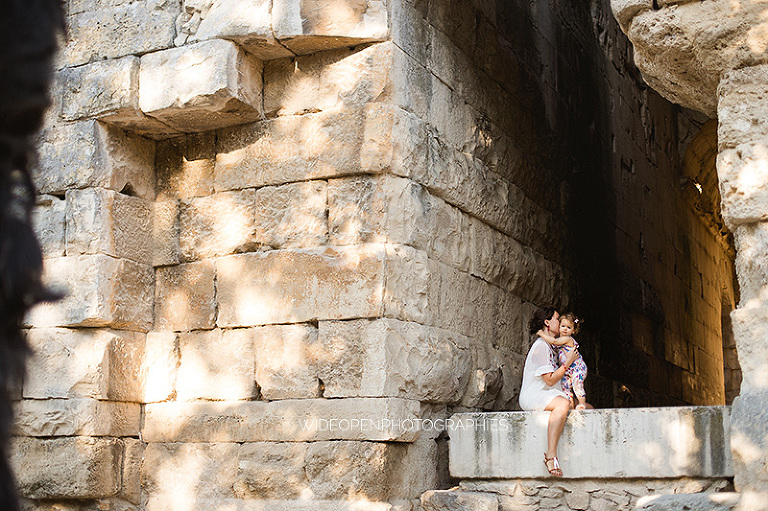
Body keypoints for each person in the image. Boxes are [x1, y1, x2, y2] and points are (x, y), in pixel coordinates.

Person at [519, 306, 579, 477]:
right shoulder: (541, 346)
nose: (560, 323)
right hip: (534, 395)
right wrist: (567, 362)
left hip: (548, 393)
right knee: (563, 404)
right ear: (547, 322)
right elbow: (550, 379)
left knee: (585, 407)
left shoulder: (553, 346)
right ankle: (551, 455)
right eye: (557, 319)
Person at [537, 313, 590, 410]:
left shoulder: (568, 339)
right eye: (563, 326)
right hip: (567, 370)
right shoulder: (560, 340)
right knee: (565, 387)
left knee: (577, 384)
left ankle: (582, 403)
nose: (565, 329)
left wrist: (542, 334)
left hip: (577, 368)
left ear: (573, 331)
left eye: (569, 327)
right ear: (559, 326)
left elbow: (554, 342)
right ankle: (570, 405)